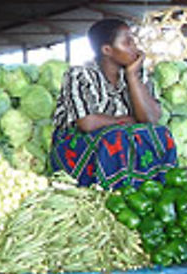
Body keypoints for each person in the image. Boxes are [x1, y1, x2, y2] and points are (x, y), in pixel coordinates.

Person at [49, 18, 176, 189]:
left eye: (133, 41)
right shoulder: (80, 75)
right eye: (127, 42)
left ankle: (157, 189)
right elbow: (87, 123)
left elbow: (151, 119)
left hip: (120, 140)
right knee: (117, 137)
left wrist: (132, 76)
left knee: (161, 133)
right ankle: (116, 192)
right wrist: (123, 121)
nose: (135, 48)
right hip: (75, 146)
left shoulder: (137, 74)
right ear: (107, 50)